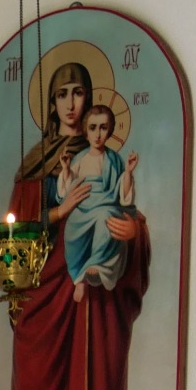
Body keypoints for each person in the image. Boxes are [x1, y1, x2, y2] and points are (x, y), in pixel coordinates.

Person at [3, 62, 151, 390]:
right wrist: (61, 212)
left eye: (79, 93)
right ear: (50, 103)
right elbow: (15, 234)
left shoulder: (107, 157)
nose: (71, 103)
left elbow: (125, 212)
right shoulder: (35, 166)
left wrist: (133, 232)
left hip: (93, 301)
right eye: (62, 94)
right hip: (45, 298)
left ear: (91, 103)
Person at [55, 103, 139, 303]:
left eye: (103, 127)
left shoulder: (114, 160)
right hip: (82, 208)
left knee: (105, 218)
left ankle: (95, 265)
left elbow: (122, 194)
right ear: (86, 130)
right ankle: (79, 278)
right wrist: (66, 169)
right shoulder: (80, 158)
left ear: (109, 130)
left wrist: (128, 172)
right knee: (71, 228)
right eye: (93, 128)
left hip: (106, 205)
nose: (98, 134)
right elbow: (66, 190)